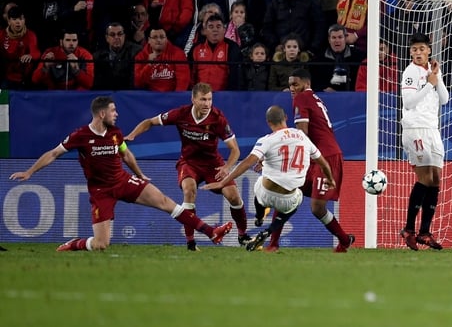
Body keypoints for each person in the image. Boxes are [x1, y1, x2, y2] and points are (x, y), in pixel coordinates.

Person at [9, 96, 233, 252]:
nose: (117, 114)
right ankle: (74, 245)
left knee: (166, 202)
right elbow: (53, 154)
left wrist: (140, 174)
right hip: (101, 191)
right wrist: (30, 172)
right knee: (101, 244)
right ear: (101, 113)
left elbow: (126, 155)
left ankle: (211, 231)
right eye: (114, 111)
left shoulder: (116, 133)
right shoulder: (80, 135)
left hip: (124, 181)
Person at [124, 83, 249, 251]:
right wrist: (133, 134)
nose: (207, 104)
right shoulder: (181, 114)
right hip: (189, 163)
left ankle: (243, 235)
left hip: (213, 164)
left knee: (233, 196)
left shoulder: (218, 118)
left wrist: (227, 167)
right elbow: (149, 122)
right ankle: (190, 242)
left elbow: (235, 150)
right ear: (193, 99)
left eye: (210, 99)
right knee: (189, 190)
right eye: (203, 99)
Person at [206, 105, 342, 252]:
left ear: (268, 123)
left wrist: (223, 182)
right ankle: (269, 231)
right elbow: (323, 162)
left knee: (259, 183)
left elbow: (247, 162)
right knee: (298, 197)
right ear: (286, 118)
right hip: (287, 200)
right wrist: (330, 179)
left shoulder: (267, 140)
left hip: (265, 194)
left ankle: (259, 216)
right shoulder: (302, 137)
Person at [252, 68, 355, 252]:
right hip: (315, 156)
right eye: (290, 84)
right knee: (286, 190)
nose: (292, 88)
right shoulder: (313, 98)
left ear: (306, 84)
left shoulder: (302, 98)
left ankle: (344, 239)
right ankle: (273, 243)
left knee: (317, 208)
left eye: (295, 84)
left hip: (325, 157)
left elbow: (302, 133)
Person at [398, 33, 449, 251]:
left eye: (421, 49)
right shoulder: (409, 72)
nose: (418, 53)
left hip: (432, 128)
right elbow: (409, 102)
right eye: (414, 49)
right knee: (424, 177)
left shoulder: (432, 71)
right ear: (411, 52)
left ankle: (425, 232)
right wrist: (429, 84)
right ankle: (409, 229)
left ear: (429, 50)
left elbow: (445, 99)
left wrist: (436, 78)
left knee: (436, 178)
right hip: (415, 128)